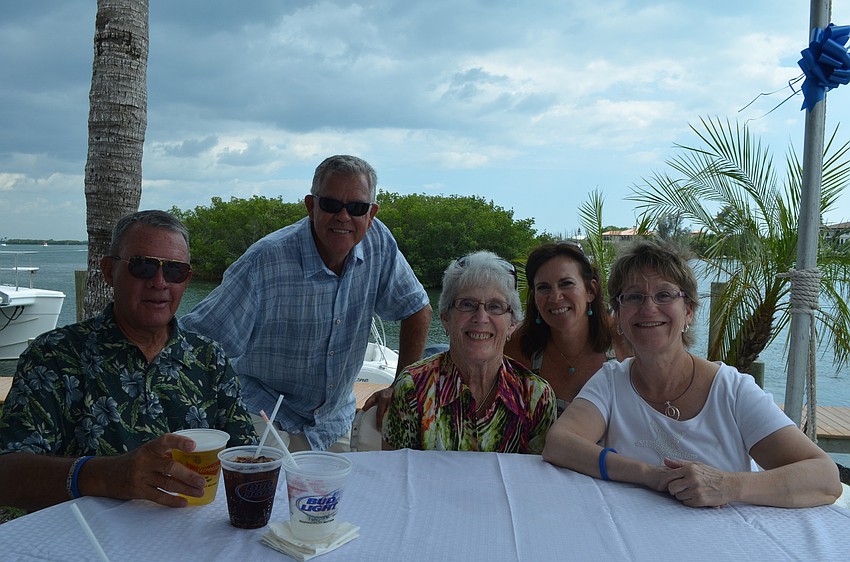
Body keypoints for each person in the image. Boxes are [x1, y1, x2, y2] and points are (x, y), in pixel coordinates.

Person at [542, 239, 842, 508]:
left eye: (664, 295)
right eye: (633, 297)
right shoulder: (611, 381)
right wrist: (648, 474)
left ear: (689, 311)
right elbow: (559, 443)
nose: (648, 308)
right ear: (618, 315)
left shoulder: (731, 390)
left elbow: (825, 478)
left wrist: (729, 485)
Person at [0, 210, 256, 512]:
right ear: (109, 271)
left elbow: (247, 455)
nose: (160, 282)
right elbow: (8, 474)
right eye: (144, 266)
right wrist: (105, 475)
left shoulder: (209, 358)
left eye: (175, 271)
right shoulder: (55, 357)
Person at [181, 155, 432, 452]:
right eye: (330, 204)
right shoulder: (265, 261)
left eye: (356, 208)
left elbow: (417, 309)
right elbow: (194, 345)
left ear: (371, 213)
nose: (343, 216)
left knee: (345, 493)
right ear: (311, 206)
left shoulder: (379, 242)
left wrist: (400, 385)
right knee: (261, 492)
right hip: (262, 409)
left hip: (332, 419)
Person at [383, 251, 556, 453]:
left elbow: (537, 481)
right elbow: (395, 475)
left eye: (495, 306)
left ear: (512, 324)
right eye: (467, 304)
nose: (481, 317)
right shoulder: (413, 388)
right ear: (446, 318)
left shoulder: (535, 396)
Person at [504, 241, 619, 415]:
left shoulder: (622, 338)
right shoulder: (517, 346)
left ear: (591, 290)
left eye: (566, 284)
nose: (555, 297)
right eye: (544, 287)